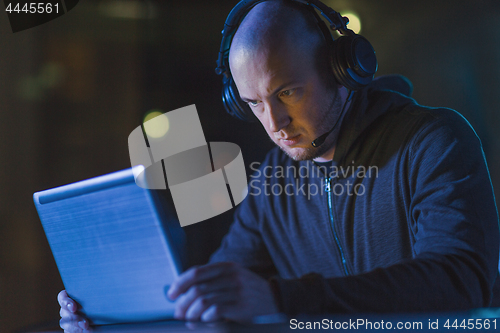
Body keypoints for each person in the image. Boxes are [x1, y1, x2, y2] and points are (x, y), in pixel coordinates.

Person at [58, 0, 500, 331]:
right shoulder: (274, 180)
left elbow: (459, 282)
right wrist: (111, 318)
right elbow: (223, 296)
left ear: (342, 70)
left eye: (287, 92)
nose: (275, 123)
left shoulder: (434, 141)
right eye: (254, 103)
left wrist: (282, 298)